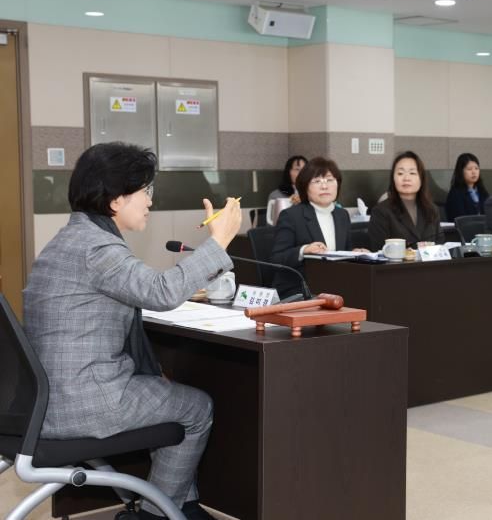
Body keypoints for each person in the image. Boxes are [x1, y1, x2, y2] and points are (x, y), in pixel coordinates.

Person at [23, 142, 242, 520]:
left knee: (164, 389)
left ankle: (182, 506)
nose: (150, 201)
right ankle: (160, 514)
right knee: (197, 407)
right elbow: (161, 291)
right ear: (115, 200)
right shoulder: (97, 248)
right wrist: (219, 240)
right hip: (84, 404)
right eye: (145, 190)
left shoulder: (69, 240)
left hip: (44, 401)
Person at [271, 156, 363, 298]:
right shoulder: (291, 216)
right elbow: (276, 259)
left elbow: (342, 253)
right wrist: (303, 250)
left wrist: (356, 254)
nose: (324, 186)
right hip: (299, 291)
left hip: (335, 287)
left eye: (330, 180)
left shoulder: (342, 215)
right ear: (305, 187)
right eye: (317, 181)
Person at [368, 151, 444, 250]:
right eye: (400, 173)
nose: (406, 178)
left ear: (421, 178)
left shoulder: (432, 209)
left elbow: (440, 246)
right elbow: (379, 250)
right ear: (393, 179)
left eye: (412, 173)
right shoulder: (381, 212)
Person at [445, 152, 489, 221]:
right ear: (461, 171)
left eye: (476, 168)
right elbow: (459, 219)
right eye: (469, 169)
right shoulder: (455, 194)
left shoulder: (482, 191)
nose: (474, 172)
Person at [266, 155, 307, 225]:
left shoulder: (313, 194)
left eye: (305, 170)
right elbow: (272, 223)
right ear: (288, 172)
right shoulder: (276, 195)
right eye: (297, 169)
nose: (302, 173)